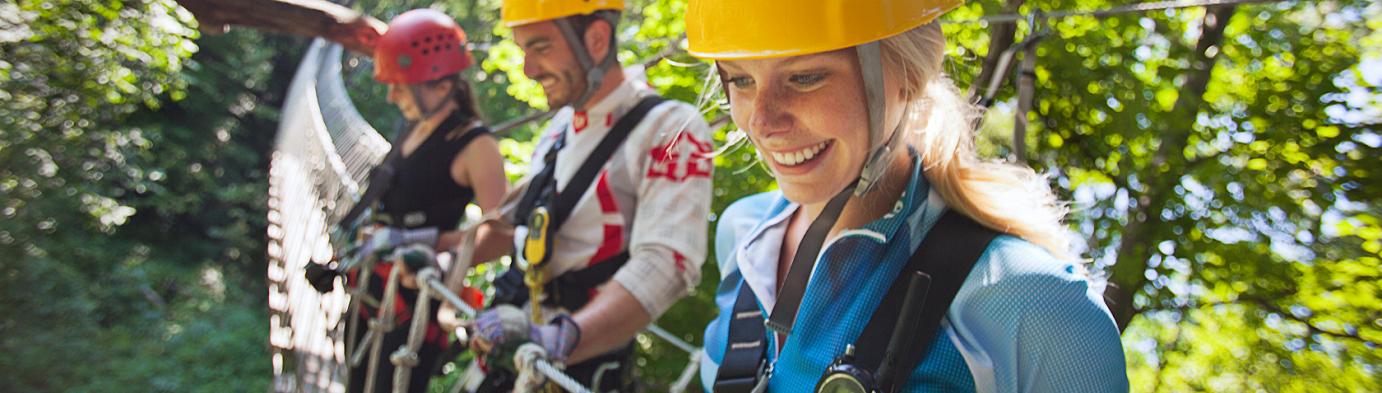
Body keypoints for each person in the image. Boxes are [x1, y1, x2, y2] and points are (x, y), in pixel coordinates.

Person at [687, 0, 1129, 392]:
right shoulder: (745, 237)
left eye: (805, 77)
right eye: (741, 80)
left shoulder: (1030, 302)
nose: (761, 121)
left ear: (912, 73)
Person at [464, 0, 714, 391]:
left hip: (569, 368)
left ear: (596, 39)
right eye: (522, 50)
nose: (528, 69)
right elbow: (511, 224)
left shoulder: (670, 128)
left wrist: (561, 339)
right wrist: (439, 251)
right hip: (507, 344)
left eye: (541, 47)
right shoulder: (561, 127)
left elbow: (668, 261)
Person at [342, 9, 507, 393]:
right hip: (373, 286)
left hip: (413, 305)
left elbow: (499, 236)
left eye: (400, 85)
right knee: (355, 380)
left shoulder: (475, 145)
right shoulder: (413, 127)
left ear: (440, 84)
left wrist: (431, 245)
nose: (391, 95)